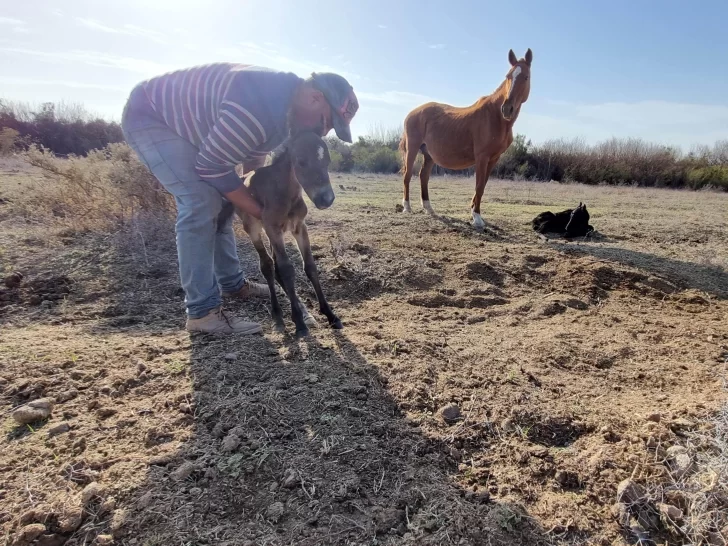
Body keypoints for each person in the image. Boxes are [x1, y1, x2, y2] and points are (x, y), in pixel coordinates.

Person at [121, 64, 359, 334]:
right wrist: (262, 212)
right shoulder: (257, 108)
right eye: (326, 122)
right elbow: (212, 167)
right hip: (152, 117)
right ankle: (201, 313)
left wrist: (254, 191)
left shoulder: (288, 110)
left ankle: (233, 285)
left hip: (194, 127)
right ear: (314, 98)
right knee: (202, 201)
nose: (324, 133)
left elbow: (253, 154)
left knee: (223, 199)